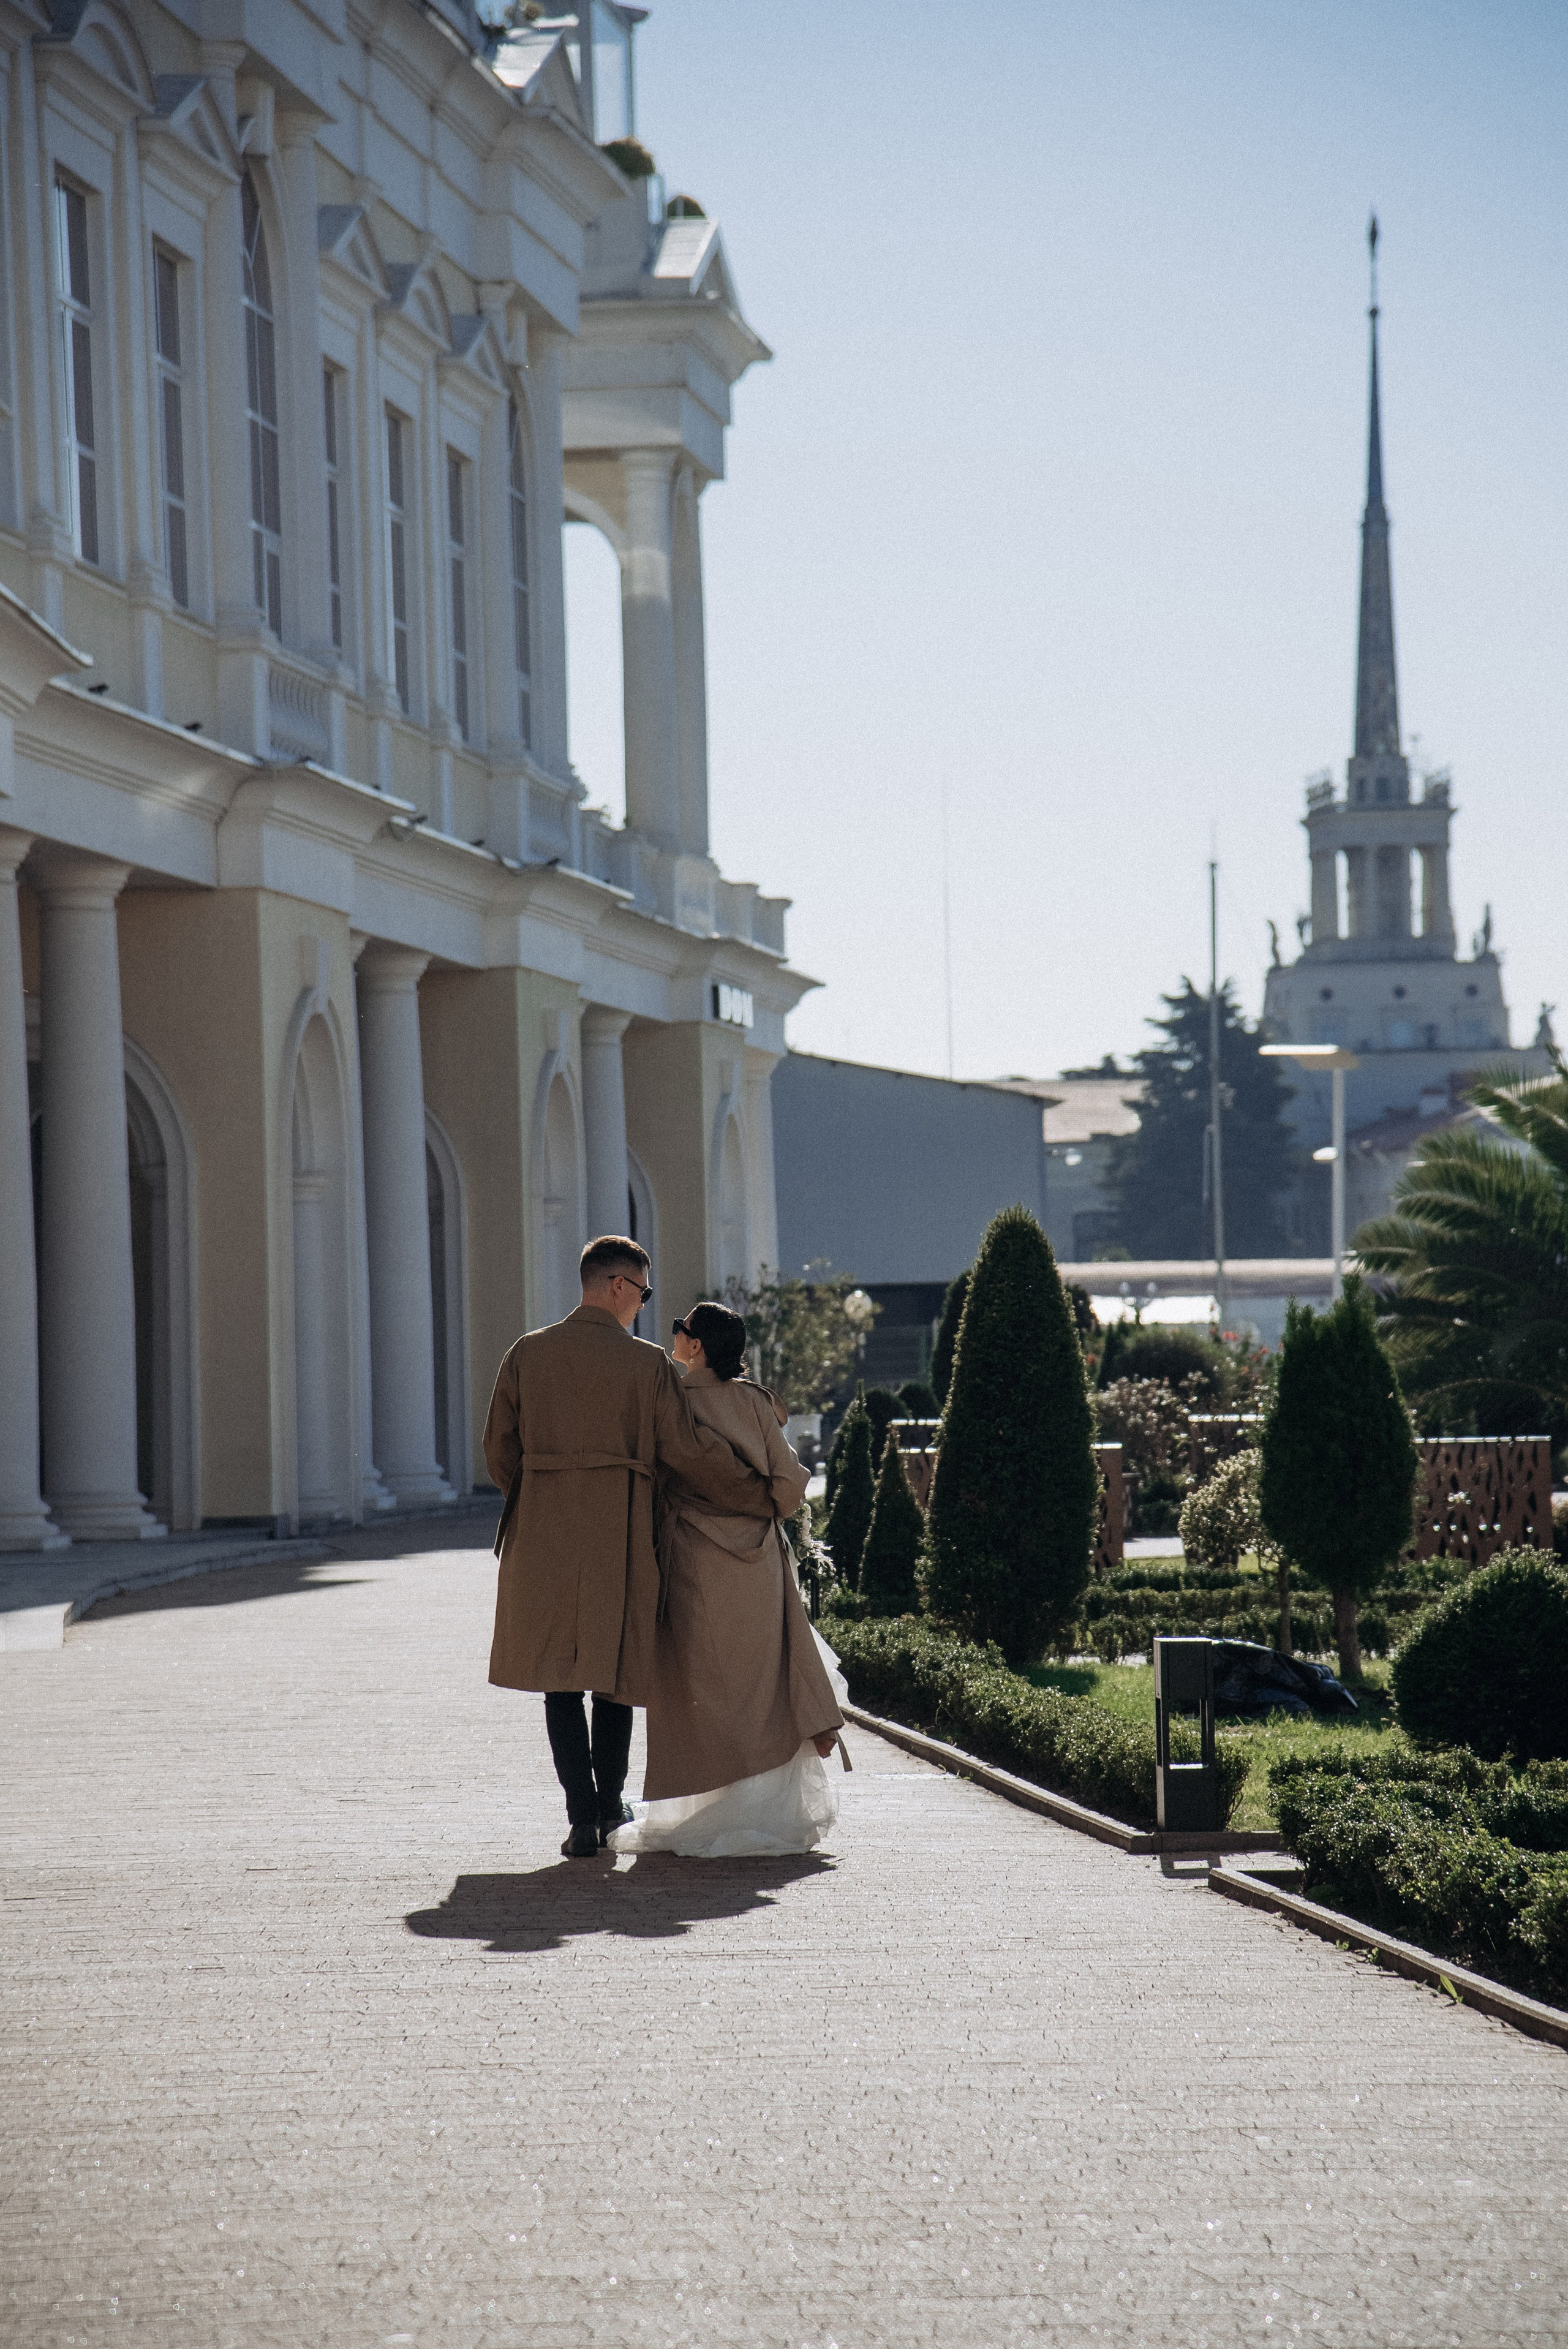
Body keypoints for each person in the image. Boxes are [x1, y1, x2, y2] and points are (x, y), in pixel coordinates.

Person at [484, 1237, 772, 1859]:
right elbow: (686, 1451)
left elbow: (498, 1449)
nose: (644, 1305)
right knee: (614, 1676)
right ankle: (609, 1804)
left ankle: (580, 1813)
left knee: (557, 1679)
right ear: (617, 1285)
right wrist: (756, 1489)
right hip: (621, 1527)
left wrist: (542, 1493)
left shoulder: (526, 1353)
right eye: (642, 1293)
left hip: (543, 1533)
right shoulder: (648, 1367)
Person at [609, 1300, 849, 1859]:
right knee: (759, 1682)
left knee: (701, 1683)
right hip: (757, 1563)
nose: (675, 1336)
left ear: (696, 1347)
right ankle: (766, 1810)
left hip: (691, 1557)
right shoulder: (754, 1402)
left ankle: (702, 1807)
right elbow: (789, 1486)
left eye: (680, 1330)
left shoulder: (667, 1405)